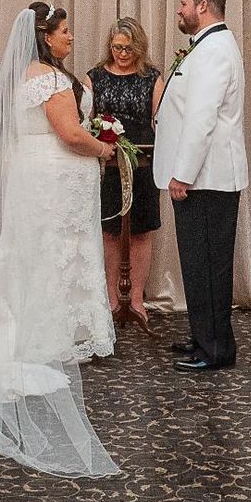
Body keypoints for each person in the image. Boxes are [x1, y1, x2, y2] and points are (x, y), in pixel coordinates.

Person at [0, 3, 120, 477]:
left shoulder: (26, 76)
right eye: (65, 31)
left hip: (37, 177)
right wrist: (104, 149)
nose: (72, 37)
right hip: (54, 178)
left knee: (34, 256)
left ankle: (41, 327)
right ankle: (46, 335)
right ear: (45, 36)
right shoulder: (50, 80)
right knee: (52, 256)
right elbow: (70, 134)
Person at [153, 0, 248, 372]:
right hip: (204, 177)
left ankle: (215, 349)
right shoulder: (209, 46)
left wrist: (182, 173)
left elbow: (202, 118)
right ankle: (203, 334)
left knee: (208, 263)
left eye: (184, 4)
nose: (179, 10)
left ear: (204, 7)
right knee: (198, 262)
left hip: (206, 177)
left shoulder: (213, 51)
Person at [88, 17, 166, 331]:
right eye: (117, 47)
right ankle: (110, 298)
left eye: (128, 48)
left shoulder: (152, 78)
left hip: (144, 166)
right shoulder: (94, 77)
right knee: (109, 232)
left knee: (141, 232)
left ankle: (135, 299)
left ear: (139, 48)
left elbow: (162, 121)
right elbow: (84, 121)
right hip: (107, 168)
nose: (122, 53)